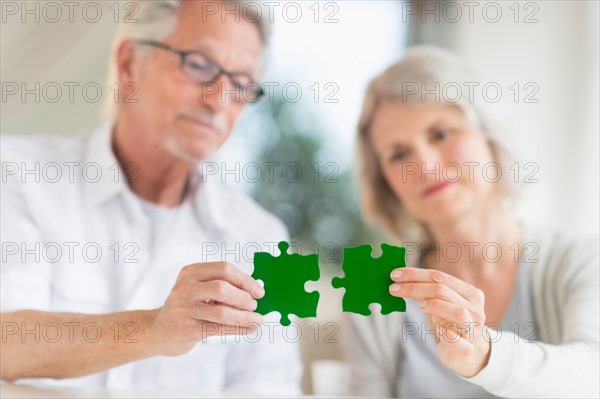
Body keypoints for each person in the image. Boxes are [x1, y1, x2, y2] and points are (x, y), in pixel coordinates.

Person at [0, 1, 301, 394]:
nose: (217, 100)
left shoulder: (260, 235)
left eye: (241, 83)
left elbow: (268, 388)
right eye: (198, 64)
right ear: (128, 64)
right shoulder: (17, 174)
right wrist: (153, 329)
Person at [344, 46, 599, 398]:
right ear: (383, 180)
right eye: (399, 154)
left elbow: (592, 375)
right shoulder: (373, 294)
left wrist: (485, 356)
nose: (426, 167)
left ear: (490, 139)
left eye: (442, 133)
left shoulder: (580, 260)